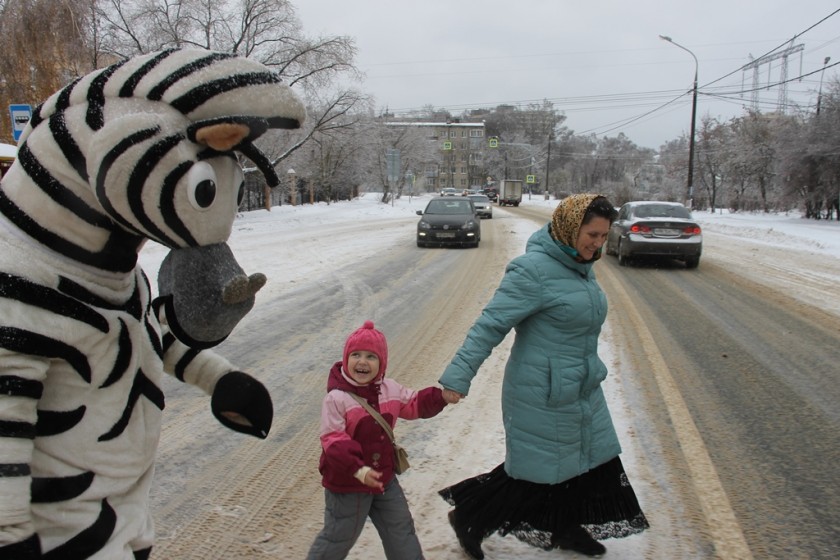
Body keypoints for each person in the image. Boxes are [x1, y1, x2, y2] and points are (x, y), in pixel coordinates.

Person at [438, 194, 649, 559]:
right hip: (542, 390)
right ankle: (469, 517)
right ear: (570, 228)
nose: (598, 244)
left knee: (590, 463)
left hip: (581, 386)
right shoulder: (532, 270)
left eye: (603, 236)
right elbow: (490, 324)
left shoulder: (580, 266)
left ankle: (567, 528)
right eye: (592, 235)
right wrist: (458, 376)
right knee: (535, 473)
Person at [306, 320, 461, 560]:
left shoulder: (389, 389)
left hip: (383, 480)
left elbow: (414, 404)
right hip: (348, 485)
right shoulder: (337, 399)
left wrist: (440, 397)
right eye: (355, 355)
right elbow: (333, 440)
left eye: (371, 357)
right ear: (346, 359)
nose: (362, 362)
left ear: (382, 363)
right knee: (338, 537)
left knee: (400, 529)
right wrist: (358, 470)